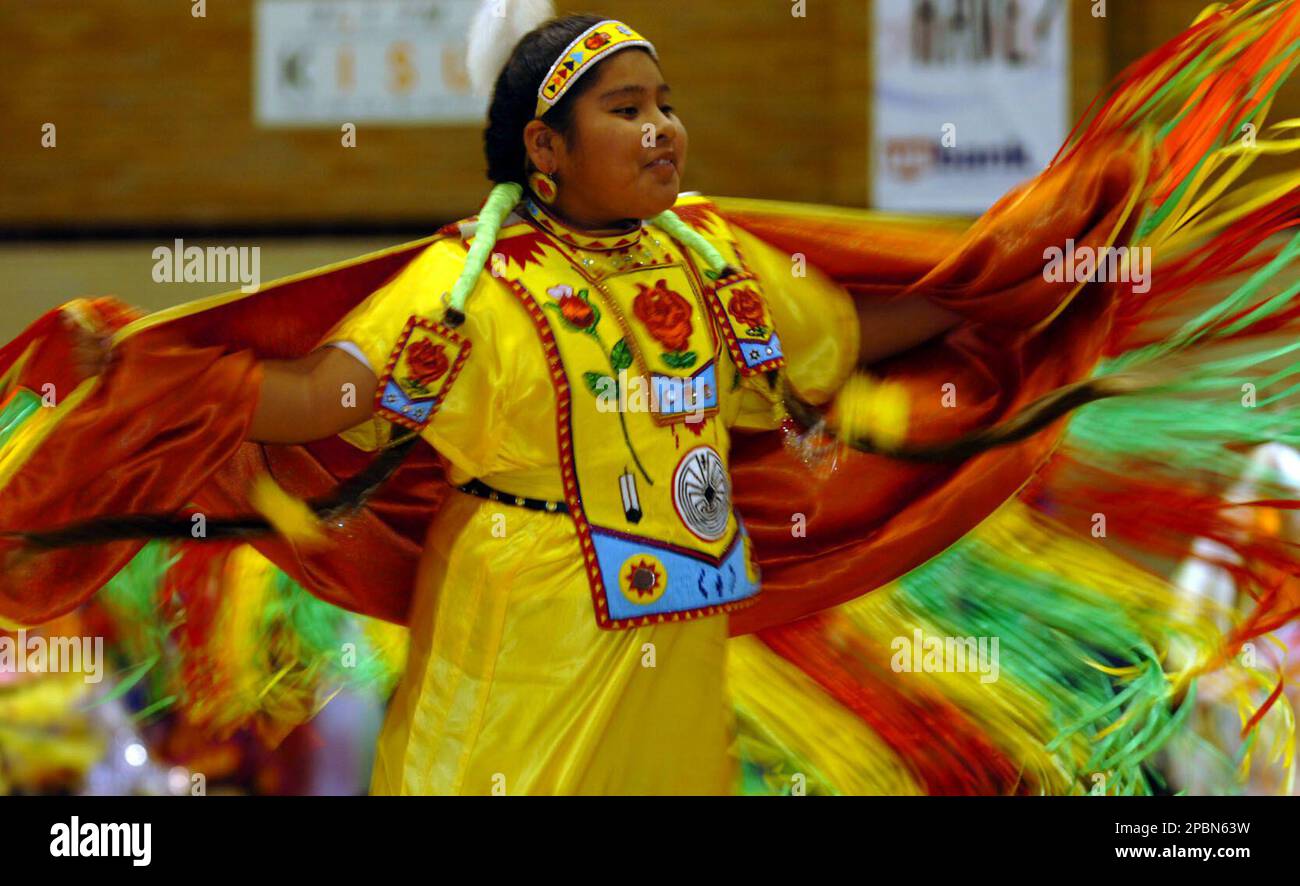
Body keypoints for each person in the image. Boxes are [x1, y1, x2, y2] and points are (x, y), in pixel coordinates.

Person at [2, 0, 1299, 795]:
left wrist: (1000, 294)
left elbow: (844, 340)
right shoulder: (468, 287)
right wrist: (163, 381)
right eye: (630, 111)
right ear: (545, 153)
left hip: (676, 611)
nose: (666, 128)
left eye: (668, 104)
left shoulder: (715, 262)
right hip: (521, 620)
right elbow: (328, 395)